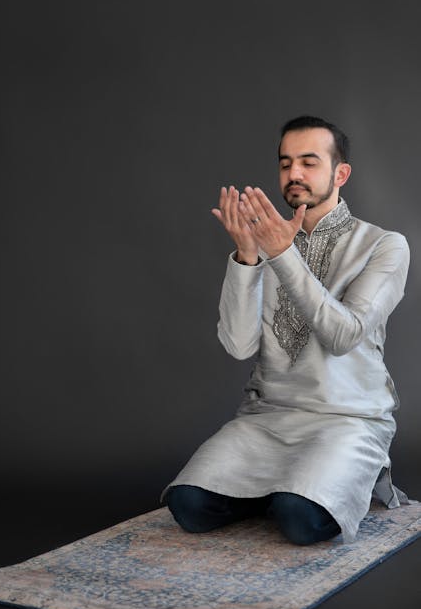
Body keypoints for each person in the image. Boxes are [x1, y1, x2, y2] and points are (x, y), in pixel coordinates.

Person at [161, 115, 410, 545]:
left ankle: (332, 484)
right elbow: (239, 346)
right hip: (268, 419)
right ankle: (294, 486)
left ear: (341, 173)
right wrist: (246, 256)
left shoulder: (385, 245)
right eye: (285, 163)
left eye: (309, 162)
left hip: (347, 419)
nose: (293, 174)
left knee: (300, 521)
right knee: (188, 506)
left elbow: (343, 334)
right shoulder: (268, 241)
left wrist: (280, 255)